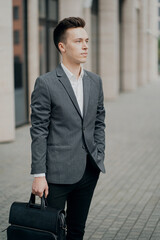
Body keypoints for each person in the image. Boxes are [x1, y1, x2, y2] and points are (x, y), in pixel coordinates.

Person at [30, 17, 106, 240]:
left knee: (76, 231)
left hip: (88, 170)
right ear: (62, 46)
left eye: (87, 40)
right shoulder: (46, 83)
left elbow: (99, 121)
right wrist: (39, 175)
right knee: (50, 232)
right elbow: (39, 130)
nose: (85, 46)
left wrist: (99, 152)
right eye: (78, 41)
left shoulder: (95, 81)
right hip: (55, 175)